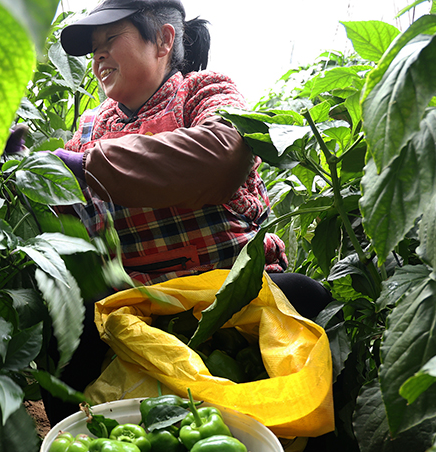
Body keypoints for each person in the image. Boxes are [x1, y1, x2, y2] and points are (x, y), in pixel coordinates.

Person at [43, 0, 331, 425]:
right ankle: (78, 440)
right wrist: (27, 173)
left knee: (309, 302)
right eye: (94, 48)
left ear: (164, 40)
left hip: (231, 287)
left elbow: (220, 157)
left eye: (111, 39)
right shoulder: (90, 128)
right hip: (144, 303)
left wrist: (89, 167)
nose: (98, 55)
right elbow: (70, 218)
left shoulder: (206, 92)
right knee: (66, 329)